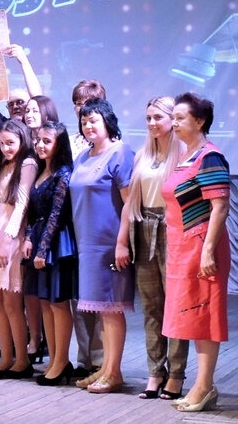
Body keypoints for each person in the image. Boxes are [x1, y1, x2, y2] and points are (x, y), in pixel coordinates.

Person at [114, 96, 187, 400]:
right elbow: (131, 201)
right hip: (143, 228)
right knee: (151, 307)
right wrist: (122, 241)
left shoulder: (184, 154)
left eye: (158, 117)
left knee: (175, 306)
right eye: (148, 118)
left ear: (172, 119)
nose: (152, 123)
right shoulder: (143, 154)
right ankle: (155, 372)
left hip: (173, 230)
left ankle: (177, 375)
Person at [161, 92, 230, 412]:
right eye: (173, 118)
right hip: (181, 247)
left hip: (202, 246)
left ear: (199, 121)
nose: (174, 123)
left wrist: (207, 252)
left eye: (180, 118)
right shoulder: (184, 156)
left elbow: (220, 207)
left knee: (205, 316)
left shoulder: (210, 156)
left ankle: (204, 386)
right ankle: (202, 385)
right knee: (191, 316)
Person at [70, 98, 135, 394]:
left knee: (111, 309)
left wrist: (122, 243)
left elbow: (129, 202)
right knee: (100, 310)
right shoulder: (83, 156)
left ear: (107, 121)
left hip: (109, 243)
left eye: (93, 120)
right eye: (84, 122)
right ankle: (105, 369)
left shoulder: (120, 153)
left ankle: (114, 372)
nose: (88, 126)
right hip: (86, 244)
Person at [0, 118, 37, 380]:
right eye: (1, 143)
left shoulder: (28, 164)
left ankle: (22, 360)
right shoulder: (1, 163)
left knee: (11, 302)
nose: (5, 148)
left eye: (10, 143)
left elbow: (22, 205)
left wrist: (7, 239)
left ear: (23, 140)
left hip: (10, 233)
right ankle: (5, 358)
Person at [24, 121, 78, 386]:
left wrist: (43, 248)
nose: (40, 145)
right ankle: (55, 359)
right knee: (45, 302)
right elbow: (33, 212)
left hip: (57, 242)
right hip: (40, 237)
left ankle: (61, 361)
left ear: (59, 144)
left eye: (47, 141)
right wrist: (28, 238)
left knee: (58, 302)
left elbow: (57, 215)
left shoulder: (63, 174)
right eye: (39, 140)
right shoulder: (41, 170)